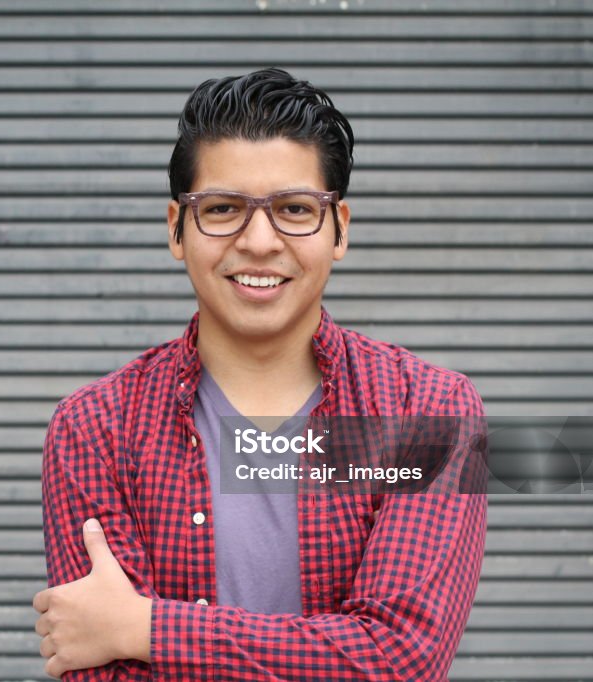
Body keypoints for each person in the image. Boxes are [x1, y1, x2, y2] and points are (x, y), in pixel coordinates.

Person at [32, 68, 487, 681]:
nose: (259, 241)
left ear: (340, 229)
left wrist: (146, 629)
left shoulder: (426, 410)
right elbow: (105, 671)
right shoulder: (95, 429)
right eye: (222, 208)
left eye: (295, 209)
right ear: (175, 227)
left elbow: (398, 658)